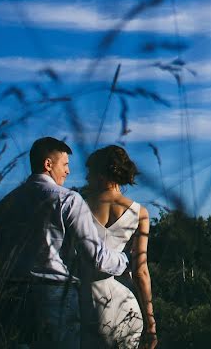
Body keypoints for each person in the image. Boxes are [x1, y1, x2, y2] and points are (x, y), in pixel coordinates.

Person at [0, 137, 130, 349]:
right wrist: (125, 261)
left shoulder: (3, 205)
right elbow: (95, 256)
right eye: (65, 164)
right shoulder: (68, 199)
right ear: (48, 164)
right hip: (54, 298)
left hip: (9, 300)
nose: (68, 171)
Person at [80, 145, 157, 349]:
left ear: (102, 174)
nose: (87, 178)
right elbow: (141, 272)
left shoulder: (78, 208)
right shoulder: (140, 213)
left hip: (86, 307)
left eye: (90, 172)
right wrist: (151, 323)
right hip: (125, 306)